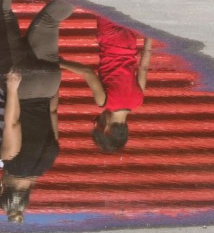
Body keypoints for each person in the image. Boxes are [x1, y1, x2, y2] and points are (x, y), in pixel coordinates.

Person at [0, 0, 75, 222]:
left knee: (49, 21)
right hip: (22, 87)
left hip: (48, 85)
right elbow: (13, 123)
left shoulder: (47, 163)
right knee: (1, 15)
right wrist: (12, 88)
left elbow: (52, 113)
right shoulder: (12, 162)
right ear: (2, 188)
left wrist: (52, 83)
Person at [58, 19, 151, 153]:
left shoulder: (138, 100)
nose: (98, 118)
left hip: (129, 41)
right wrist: (61, 63)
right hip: (109, 37)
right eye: (97, 122)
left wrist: (149, 36)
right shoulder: (104, 101)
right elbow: (87, 72)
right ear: (106, 128)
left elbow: (143, 68)